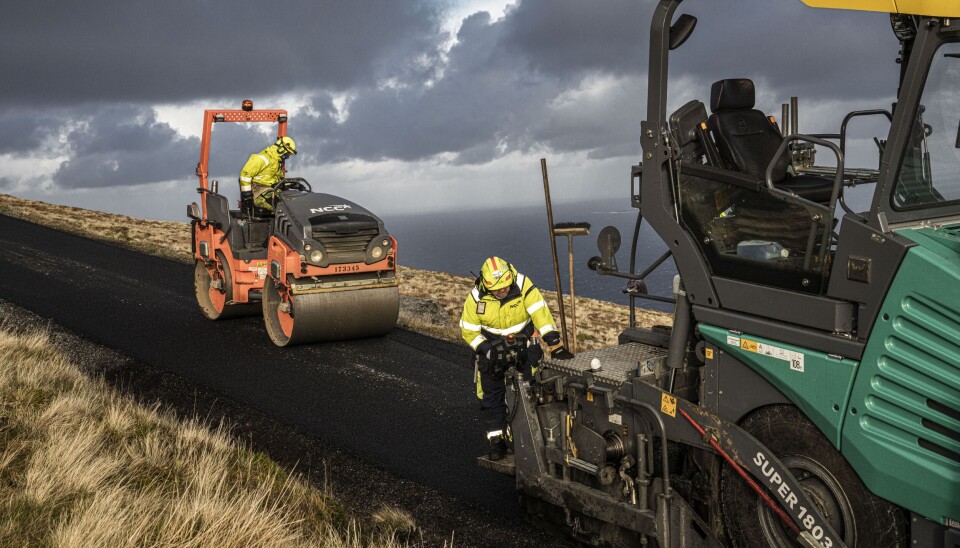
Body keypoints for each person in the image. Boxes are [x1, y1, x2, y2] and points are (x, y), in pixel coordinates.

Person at [460, 256, 574, 461]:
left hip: (524, 349)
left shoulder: (522, 285)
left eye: (504, 288)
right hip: (491, 352)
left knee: (528, 393)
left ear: (510, 278)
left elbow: (540, 312)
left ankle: (528, 439)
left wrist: (555, 345)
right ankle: (498, 443)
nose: (501, 292)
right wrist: (487, 349)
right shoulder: (476, 297)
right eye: (496, 290)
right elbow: (468, 330)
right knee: (492, 397)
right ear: (486, 285)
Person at [238, 136, 297, 214]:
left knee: (295, 204)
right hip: (258, 192)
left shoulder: (277, 163)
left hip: (272, 191)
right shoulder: (261, 159)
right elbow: (245, 176)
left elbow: (276, 181)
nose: (287, 157)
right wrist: (247, 195)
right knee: (282, 208)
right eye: (287, 154)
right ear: (281, 149)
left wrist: (292, 184)